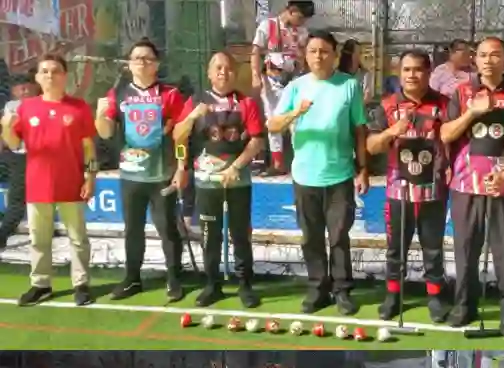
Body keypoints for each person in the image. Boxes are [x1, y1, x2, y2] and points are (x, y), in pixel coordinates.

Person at [266, 29, 369, 316]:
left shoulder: (349, 86)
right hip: (305, 177)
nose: (318, 56)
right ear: (305, 55)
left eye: (324, 51)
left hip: (340, 176)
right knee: (311, 237)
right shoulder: (295, 88)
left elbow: (359, 130)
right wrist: (295, 113)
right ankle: (317, 288)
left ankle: (342, 290)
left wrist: (363, 169)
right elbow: (273, 125)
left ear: (334, 55)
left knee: (338, 237)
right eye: (313, 51)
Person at [441, 37, 504, 334]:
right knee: (465, 251)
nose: (489, 60)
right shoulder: (462, 92)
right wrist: (473, 112)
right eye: (483, 55)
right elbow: (445, 134)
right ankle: (464, 306)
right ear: (475, 59)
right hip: (465, 184)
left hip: (502, 185)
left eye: (495, 55)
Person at [1, 53, 97, 307]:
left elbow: (89, 147)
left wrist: (90, 177)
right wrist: (7, 127)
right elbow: (14, 144)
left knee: (78, 239)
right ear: (37, 77)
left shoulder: (79, 107)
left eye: (55, 71)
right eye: (44, 71)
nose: (50, 76)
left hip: (71, 184)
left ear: (65, 76)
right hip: (38, 185)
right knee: (39, 240)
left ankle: (81, 284)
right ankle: (41, 285)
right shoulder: (26, 107)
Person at [95, 38, 186, 303]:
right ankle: (132, 278)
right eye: (137, 58)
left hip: (162, 175)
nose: (142, 62)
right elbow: (106, 132)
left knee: (167, 229)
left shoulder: (170, 94)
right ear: (129, 64)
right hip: (130, 175)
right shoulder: (118, 94)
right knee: (132, 230)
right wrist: (99, 115)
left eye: (148, 58)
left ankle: (174, 278)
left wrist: (181, 167)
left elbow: (182, 136)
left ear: (157, 64)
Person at [173, 51, 264, 308]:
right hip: (206, 182)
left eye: (228, 67)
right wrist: (192, 117)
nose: (223, 71)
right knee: (209, 235)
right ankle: (212, 285)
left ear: (235, 73)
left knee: (241, 234)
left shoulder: (246, 103)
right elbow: (178, 137)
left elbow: (257, 140)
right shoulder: (195, 101)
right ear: (209, 73)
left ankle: (245, 284)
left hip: (237, 180)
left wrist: (235, 167)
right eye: (218, 67)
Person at [367, 50, 450, 323]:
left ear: (428, 73)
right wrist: (392, 131)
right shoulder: (387, 105)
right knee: (395, 248)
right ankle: (393, 295)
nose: (412, 75)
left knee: (433, 248)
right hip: (398, 191)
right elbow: (371, 146)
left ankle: (435, 296)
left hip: (433, 190)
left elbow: (454, 140)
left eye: (418, 70)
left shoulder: (445, 105)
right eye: (406, 70)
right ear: (399, 73)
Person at [251, 0, 311, 175]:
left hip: (295, 80)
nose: (302, 22)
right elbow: (256, 52)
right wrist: (255, 75)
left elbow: (307, 56)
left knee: (296, 120)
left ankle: (301, 160)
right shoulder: (267, 26)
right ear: (292, 11)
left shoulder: (302, 32)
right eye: (300, 17)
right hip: (272, 81)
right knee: (273, 119)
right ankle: (277, 163)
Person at [0, 73, 40, 250]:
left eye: (27, 85)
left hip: (35, 156)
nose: (23, 89)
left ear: (35, 87)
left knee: (19, 200)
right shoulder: (10, 106)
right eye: (19, 86)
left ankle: (3, 234)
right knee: (16, 199)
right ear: (13, 91)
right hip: (15, 154)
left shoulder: (43, 103)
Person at [338, 39, 374, 104]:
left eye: (360, 53)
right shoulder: (337, 75)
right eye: (357, 54)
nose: (359, 57)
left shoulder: (365, 74)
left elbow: (367, 97)